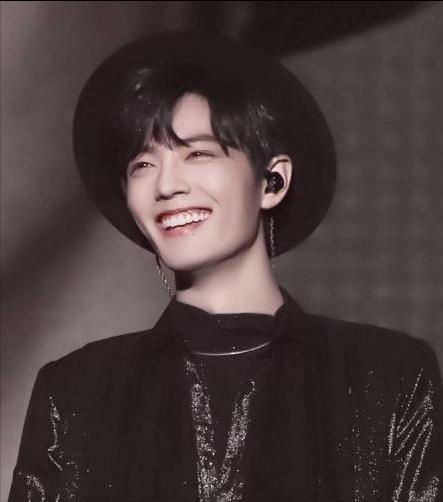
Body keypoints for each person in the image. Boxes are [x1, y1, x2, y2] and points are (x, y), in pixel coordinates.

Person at [9, 32, 442, 502]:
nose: (166, 185)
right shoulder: (77, 392)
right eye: (142, 165)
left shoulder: (387, 378)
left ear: (272, 181)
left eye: (198, 153)